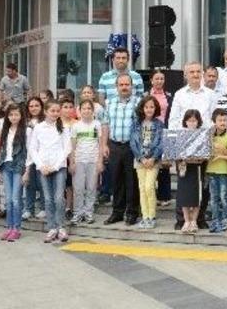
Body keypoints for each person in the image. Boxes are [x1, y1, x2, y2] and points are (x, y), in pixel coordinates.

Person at [27, 100, 72, 243]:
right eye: (52, 111)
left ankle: (61, 227)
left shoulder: (63, 128)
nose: (55, 113)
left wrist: (56, 166)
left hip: (59, 168)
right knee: (47, 198)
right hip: (43, 168)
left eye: (57, 111)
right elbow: (33, 148)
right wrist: (41, 165)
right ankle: (52, 227)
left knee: (59, 197)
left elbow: (67, 148)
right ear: (45, 111)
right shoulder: (38, 128)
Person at [102, 74, 141, 227]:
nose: (124, 87)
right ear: (116, 87)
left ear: (132, 86)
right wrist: (104, 145)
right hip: (115, 145)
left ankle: (132, 213)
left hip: (132, 147)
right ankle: (117, 212)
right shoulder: (109, 102)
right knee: (116, 180)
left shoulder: (139, 103)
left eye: (127, 84)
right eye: (121, 85)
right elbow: (105, 125)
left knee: (132, 181)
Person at [0, 104, 31, 241]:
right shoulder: (5, 130)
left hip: (18, 166)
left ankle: (16, 228)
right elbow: (1, 150)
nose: (13, 117)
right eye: (11, 115)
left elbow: (29, 152)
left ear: (21, 116)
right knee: (9, 200)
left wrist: (27, 171)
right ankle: (9, 227)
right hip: (6, 165)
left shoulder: (27, 131)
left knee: (16, 199)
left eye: (16, 114)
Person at [130, 96, 164, 229]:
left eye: (152, 107)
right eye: (146, 107)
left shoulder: (159, 124)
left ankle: (152, 216)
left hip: (153, 160)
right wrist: (141, 158)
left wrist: (153, 158)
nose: (149, 109)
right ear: (142, 109)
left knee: (149, 186)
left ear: (155, 108)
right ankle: (145, 217)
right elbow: (133, 143)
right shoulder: (136, 124)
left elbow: (161, 143)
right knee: (142, 188)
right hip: (140, 160)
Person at [70, 100, 104, 225]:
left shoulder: (97, 125)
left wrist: (100, 162)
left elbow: (100, 145)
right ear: (79, 110)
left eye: (89, 108)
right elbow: (72, 146)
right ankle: (77, 213)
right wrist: (72, 162)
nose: (86, 111)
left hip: (93, 161)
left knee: (91, 188)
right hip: (79, 160)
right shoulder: (76, 126)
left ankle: (88, 213)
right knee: (78, 189)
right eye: (83, 108)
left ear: (92, 111)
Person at [174, 110, 207, 234]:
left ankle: (194, 221)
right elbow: (175, 152)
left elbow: (205, 154)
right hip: (184, 169)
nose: (192, 123)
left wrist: (198, 158)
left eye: (194, 120)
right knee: (184, 196)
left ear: (198, 122)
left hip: (197, 169)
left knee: (196, 196)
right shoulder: (180, 135)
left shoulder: (202, 135)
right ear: (185, 121)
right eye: (189, 120)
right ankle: (186, 220)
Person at [146, 71, 173, 207]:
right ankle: (152, 196)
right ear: (151, 80)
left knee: (164, 164)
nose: (159, 81)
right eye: (156, 78)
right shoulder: (146, 96)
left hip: (164, 131)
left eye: (162, 79)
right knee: (151, 162)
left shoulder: (168, 96)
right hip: (149, 132)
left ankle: (165, 196)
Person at [169, 62, 218, 130]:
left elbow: (214, 119)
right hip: (184, 137)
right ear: (185, 75)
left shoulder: (211, 94)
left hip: (204, 136)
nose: (195, 74)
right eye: (192, 72)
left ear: (202, 74)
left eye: (198, 71)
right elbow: (173, 120)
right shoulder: (179, 94)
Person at [205, 109, 227, 233]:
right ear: (214, 122)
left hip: (224, 171)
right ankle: (216, 222)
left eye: (225, 120)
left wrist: (223, 150)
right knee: (214, 198)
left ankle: (226, 220)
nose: (223, 122)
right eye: (220, 120)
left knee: (224, 197)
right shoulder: (209, 135)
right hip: (211, 170)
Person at [24, 97, 46, 219]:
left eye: (36, 105)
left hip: (42, 157)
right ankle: (29, 209)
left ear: (42, 107)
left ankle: (44, 208)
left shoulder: (45, 122)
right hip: (29, 158)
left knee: (42, 183)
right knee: (29, 184)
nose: (34, 108)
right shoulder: (25, 122)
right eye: (31, 106)